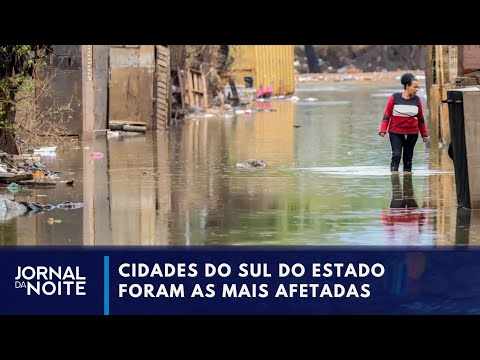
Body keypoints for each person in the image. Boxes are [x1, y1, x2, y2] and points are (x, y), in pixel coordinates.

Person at [379, 73, 428, 172]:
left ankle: (407, 182)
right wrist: (383, 130)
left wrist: (424, 134)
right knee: (396, 155)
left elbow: (421, 119)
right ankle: (395, 182)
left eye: (417, 87)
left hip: (412, 133)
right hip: (396, 132)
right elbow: (387, 115)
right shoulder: (394, 98)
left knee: (408, 157)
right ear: (407, 86)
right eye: (414, 87)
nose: (417, 89)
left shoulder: (417, 100)